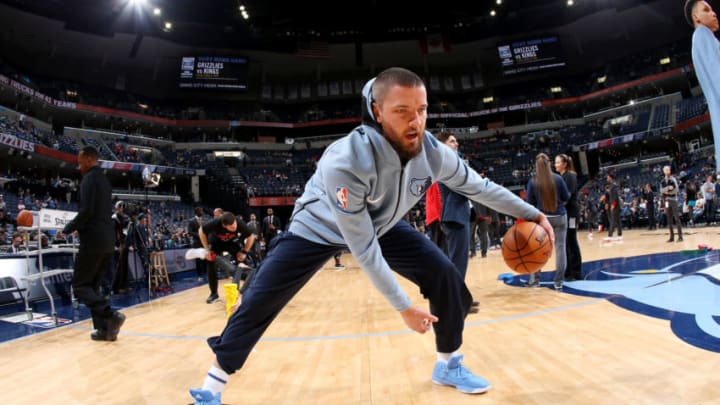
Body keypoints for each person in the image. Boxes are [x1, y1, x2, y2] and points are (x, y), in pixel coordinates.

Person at [188, 68, 554, 404]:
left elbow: (481, 188)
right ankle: (212, 386)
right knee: (260, 298)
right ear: (377, 111)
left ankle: (448, 364)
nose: (416, 121)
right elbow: (362, 248)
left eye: (422, 110)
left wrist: (533, 213)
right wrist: (403, 307)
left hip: (383, 224)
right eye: (402, 111)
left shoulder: (434, 153)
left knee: (444, 275)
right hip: (316, 228)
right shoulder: (344, 160)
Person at [62, 146, 125, 342]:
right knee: (93, 287)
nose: (78, 166)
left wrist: (68, 228)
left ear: (89, 160)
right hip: (108, 240)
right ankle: (105, 330)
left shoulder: (89, 179)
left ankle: (110, 314)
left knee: (80, 285)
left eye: (80, 162)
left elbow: (87, 211)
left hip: (93, 240)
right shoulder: (105, 180)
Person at [436, 131, 479, 312]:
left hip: (457, 215)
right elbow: (463, 187)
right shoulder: (446, 163)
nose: (456, 144)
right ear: (443, 145)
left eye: (456, 141)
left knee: (459, 261)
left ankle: (460, 299)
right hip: (454, 216)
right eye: (452, 141)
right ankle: (456, 303)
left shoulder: (450, 162)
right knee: (457, 262)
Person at [526, 153, 570, 290]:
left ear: (536, 166)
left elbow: (529, 203)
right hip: (560, 217)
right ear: (549, 164)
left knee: (537, 249)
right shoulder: (558, 178)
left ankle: (535, 280)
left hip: (542, 219)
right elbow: (566, 196)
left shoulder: (533, 181)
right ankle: (558, 281)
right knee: (560, 248)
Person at [685, 0, 720, 173]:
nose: (714, 13)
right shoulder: (702, 34)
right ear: (696, 17)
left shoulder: (700, 38)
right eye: (707, 10)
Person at [197, 211, 256, 303]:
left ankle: (250, 290)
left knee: (243, 262)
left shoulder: (239, 223)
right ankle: (214, 294)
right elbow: (201, 231)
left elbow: (251, 237)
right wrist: (207, 249)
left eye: (235, 224)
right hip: (216, 243)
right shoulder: (215, 223)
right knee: (210, 263)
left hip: (232, 243)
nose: (235, 227)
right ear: (224, 226)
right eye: (232, 227)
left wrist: (244, 252)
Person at [555, 154, 582, 281]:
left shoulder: (570, 176)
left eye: (558, 162)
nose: (555, 165)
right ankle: (569, 270)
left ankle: (575, 271)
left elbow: (568, 197)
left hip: (571, 214)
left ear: (564, 164)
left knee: (571, 240)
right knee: (566, 241)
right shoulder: (562, 177)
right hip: (565, 213)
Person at [660, 165, 683, 242]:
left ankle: (680, 236)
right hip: (666, 201)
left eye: (668, 170)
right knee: (669, 219)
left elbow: (676, 190)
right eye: (666, 170)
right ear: (664, 171)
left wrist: (668, 192)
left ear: (670, 171)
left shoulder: (673, 179)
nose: (667, 171)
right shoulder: (662, 181)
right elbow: (661, 191)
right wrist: (667, 189)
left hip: (673, 200)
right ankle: (671, 237)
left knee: (677, 218)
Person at [111, 201, 130, 293]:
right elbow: (113, 234)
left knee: (125, 266)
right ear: (117, 208)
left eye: (123, 207)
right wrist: (116, 246)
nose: (122, 209)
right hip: (117, 247)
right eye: (120, 207)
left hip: (124, 245)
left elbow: (125, 232)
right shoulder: (114, 219)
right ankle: (115, 288)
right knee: (118, 268)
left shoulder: (125, 219)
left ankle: (123, 286)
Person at [188, 207, 206, 281]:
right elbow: (190, 232)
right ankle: (200, 276)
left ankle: (205, 274)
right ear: (197, 212)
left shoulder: (202, 221)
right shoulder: (191, 221)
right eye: (200, 211)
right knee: (198, 260)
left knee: (204, 259)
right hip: (196, 243)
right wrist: (199, 235)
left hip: (204, 242)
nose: (202, 212)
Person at [606, 173, 622, 240]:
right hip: (614, 205)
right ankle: (619, 235)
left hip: (615, 205)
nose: (607, 179)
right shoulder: (611, 186)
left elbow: (615, 196)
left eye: (608, 177)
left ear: (611, 178)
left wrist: (613, 205)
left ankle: (610, 236)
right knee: (617, 221)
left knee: (612, 220)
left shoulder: (613, 186)